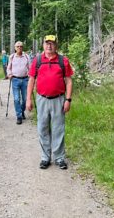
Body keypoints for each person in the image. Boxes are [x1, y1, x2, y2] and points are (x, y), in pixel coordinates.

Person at [26, 35, 73, 170]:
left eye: (52, 43)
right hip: (42, 99)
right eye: (47, 43)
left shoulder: (63, 60)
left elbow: (69, 80)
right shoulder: (38, 60)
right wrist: (28, 99)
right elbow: (31, 80)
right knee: (42, 128)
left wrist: (68, 100)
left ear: (56, 45)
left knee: (58, 128)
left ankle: (59, 158)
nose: (49, 46)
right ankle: (45, 157)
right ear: (43, 45)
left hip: (59, 99)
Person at [7, 41, 30, 125]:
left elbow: (30, 68)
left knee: (24, 99)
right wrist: (9, 74)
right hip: (15, 80)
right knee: (16, 99)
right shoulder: (12, 57)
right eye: (18, 46)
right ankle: (19, 116)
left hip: (25, 80)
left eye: (21, 46)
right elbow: (9, 68)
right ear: (15, 48)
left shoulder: (27, 57)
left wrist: (31, 76)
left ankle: (21, 110)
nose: (19, 48)